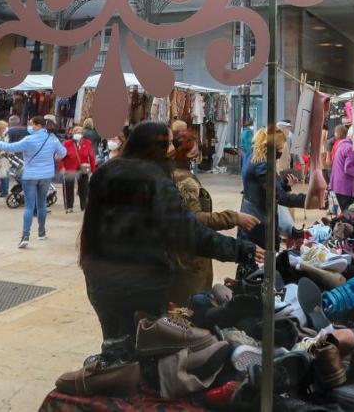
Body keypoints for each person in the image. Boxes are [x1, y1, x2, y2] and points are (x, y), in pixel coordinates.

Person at [80, 121, 261, 363]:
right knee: (145, 349)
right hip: (140, 282)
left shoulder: (105, 171)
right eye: (167, 144)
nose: (171, 151)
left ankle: (112, 380)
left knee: (114, 344)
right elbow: (189, 233)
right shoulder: (156, 180)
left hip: (99, 278)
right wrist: (242, 250)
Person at [169, 124, 259, 306]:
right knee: (189, 311)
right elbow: (196, 219)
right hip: (190, 260)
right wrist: (233, 217)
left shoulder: (178, 175)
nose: (198, 152)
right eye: (194, 149)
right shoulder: (185, 181)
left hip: (188, 257)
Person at [0, 116, 67, 248]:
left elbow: (11, 147)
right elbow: (63, 153)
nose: (31, 127)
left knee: (29, 206)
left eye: (32, 125)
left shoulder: (29, 140)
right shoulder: (52, 139)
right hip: (46, 175)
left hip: (30, 176)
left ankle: (25, 236)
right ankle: (41, 232)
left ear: (38, 125)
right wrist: (54, 155)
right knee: (42, 204)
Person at [239, 126, 306, 251]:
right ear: (271, 147)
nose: (281, 151)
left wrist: (285, 185)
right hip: (259, 223)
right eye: (280, 148)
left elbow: (265, 188)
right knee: (261, 262)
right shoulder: (262, 164)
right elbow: (279, 196)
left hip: (253, 217)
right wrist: (308, 200)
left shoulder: (253, 156)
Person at [61, 125, 96, 213]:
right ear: (72, 133)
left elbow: (91, 156)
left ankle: (84, 206)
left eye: (80, 132)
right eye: (76, 132)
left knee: (83, 188)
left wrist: (93, 169)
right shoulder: (67, 143)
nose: (79, 134)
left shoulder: (87, 142)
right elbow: (61, 157)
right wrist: (62, 167)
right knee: (69, 187)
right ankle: (69, 206)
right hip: (70, 167)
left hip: (84, 167)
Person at [329, 124, 354, 213]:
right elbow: (348, 169)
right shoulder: (349, 148)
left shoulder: (342, 145)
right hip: (345, 186)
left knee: (344, 211)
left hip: (338, 185)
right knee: (347, 212)